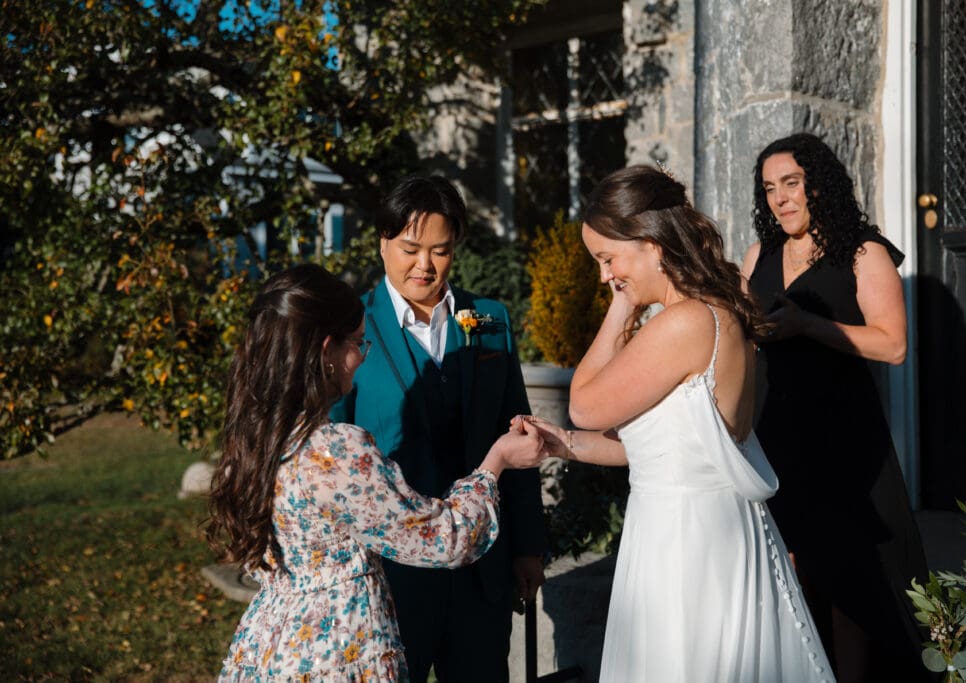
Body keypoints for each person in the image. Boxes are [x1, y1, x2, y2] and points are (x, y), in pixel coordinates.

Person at [516, 165, 835, 681]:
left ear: (652, 244)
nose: (605, 276)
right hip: (690, 528)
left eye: (607, 258)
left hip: (688, 545)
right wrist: (565, 445)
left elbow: (585, 403)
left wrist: (620, 308)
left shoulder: (686, 321)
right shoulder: (713, 311)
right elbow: (669, 448)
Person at [206, 264, 544, 682]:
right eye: (357, 344)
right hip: (337, 651)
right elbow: (445, 538)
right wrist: (497, 462)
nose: (360, 359)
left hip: (273, 643)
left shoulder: (257, 437)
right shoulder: (336, 451)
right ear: (327, 350)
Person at [329, 176, 546, 683]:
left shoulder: (489, 320)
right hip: (390, 575)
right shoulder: (350, 327)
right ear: (382, 243)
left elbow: (517, 428)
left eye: (440, 251)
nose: (424, 265)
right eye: (409, 248)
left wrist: (528, 544)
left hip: (482, 569)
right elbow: (334, 451)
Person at [740, 132, 930, 681]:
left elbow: (892, 344)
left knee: (851, 577)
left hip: (843, 435)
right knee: (791, 572)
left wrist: (808, 325)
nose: (781, 199)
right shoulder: (761, 253)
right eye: (770, 188)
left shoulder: (862, 250)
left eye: (792, 184)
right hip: (774, 428)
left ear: (819, 185)